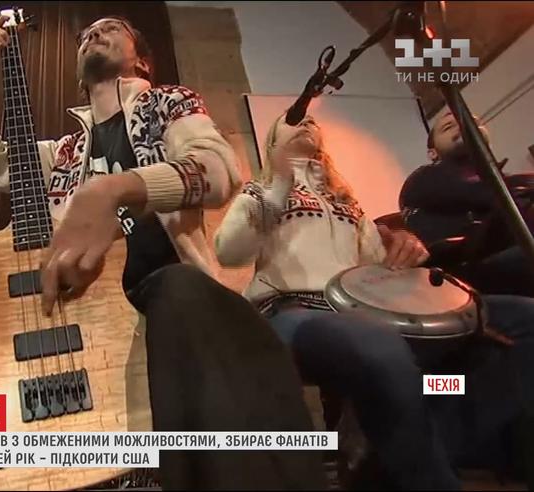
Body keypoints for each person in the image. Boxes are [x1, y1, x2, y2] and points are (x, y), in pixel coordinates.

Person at [0, 14, 327, 490]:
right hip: (84, 308)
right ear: (78, 74)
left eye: (112, 28)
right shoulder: (66, 151)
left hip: (160, 290)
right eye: (87, 34)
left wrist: (116, 188)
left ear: (143, 61)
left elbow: (218, 169)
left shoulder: (168, 105)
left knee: (181, 288)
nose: (94, 33)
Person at [215, 113, 534, 488]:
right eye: (292, 119)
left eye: (311, 121)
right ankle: (420, 472)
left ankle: (396, 460)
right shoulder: (260, 191)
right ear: (272, 141)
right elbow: (229, 252)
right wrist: (278, 184)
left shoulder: (347, 202)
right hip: (292, 311)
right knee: (382, 350)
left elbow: (377, 266)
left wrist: (404, 247)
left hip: (366, 314)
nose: (304, 122)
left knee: (517, 327)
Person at [399, 111, 534, 297]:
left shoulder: (507, 181)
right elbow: (490, 196)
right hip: (466, 276)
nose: (462, 126)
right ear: (432, 152)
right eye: (448, 127)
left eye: (472, 122)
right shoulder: (421, 179)